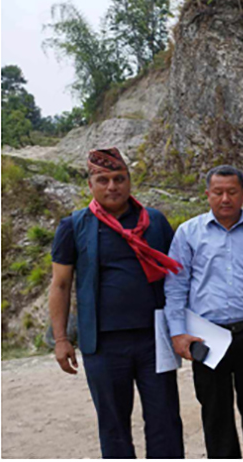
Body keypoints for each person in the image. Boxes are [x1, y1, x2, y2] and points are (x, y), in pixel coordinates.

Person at [48, 147, 184, 458]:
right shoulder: (74, 226)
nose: (112, 186)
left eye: (119, 179)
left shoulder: (154, 222)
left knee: (165, 420)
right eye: (103, 180)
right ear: (90, 185)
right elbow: (60, 284)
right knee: (113, 426)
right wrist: (61, 338)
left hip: (155, 340)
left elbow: (178, 278)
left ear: (129, 181)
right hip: (103, 345)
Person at [164, 165, 243, 458]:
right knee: (215, 413)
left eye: (232, 192)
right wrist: (178, 332)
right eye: (218, 192)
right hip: (206, 336)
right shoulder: (189, 233)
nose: (225, 198)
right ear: (207, 194)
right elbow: (176, 287)